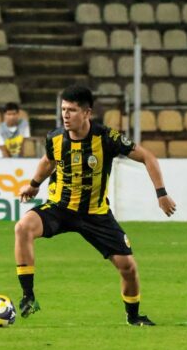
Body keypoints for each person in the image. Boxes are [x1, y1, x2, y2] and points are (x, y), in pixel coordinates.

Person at [15, 85, 177, 326]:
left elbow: (147, 157)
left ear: (87, 113)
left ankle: (133, 317)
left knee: (128, 268)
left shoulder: (107, 138)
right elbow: (49, 161)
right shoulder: (55, 138)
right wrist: (34, 184)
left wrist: (161, 194)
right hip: (60, 208)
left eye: (71, 110)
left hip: (95, 214)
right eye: (63, 109)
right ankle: (28, 296)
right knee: (22, 228)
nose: (65, 115)